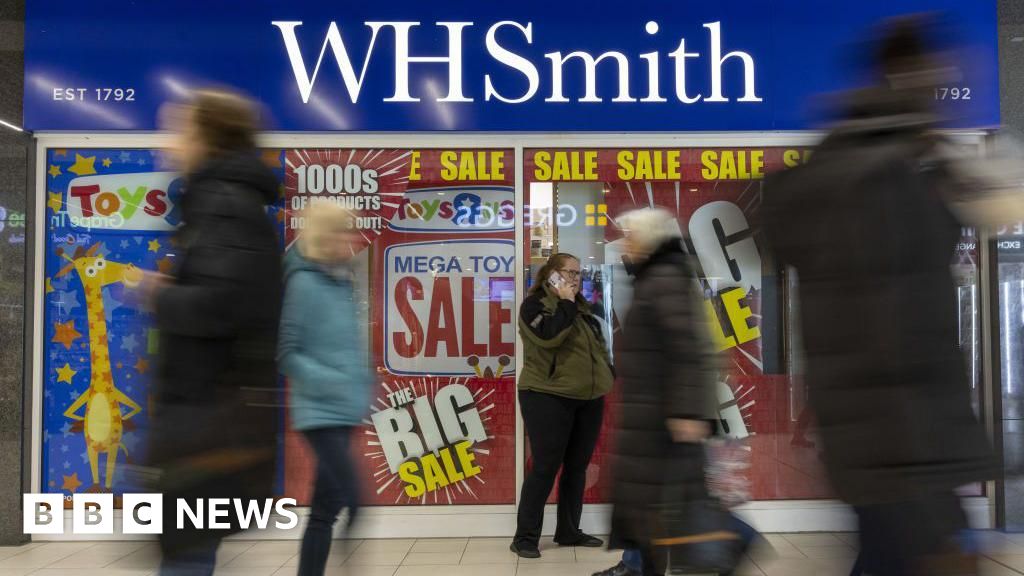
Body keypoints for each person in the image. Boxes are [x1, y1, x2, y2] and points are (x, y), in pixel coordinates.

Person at [762, 16, 995, 576]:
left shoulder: (860, 166)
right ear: (909, 75)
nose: (950, 88)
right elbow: (890, 329)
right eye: (941, 74)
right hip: (904, 447)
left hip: (879, 445)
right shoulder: (883, 179)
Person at [142, 89, 283, 576]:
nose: (170, 140)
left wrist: (157, 294)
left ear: (206, 135)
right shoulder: (220, 203)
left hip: (207, 420)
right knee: (190, 552)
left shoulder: (223, 204)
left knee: (187, 555)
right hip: (207, 417)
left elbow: (223, 306)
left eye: (179, 127)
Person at [593, 208, 718, 576]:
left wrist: (687, 413)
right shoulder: (655, 278)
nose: (623, 245)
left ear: (648, 241)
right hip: (650, 419)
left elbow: (690, 349)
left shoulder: (664, 280)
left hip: (663, 425)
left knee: (659, 515)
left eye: (629, 237)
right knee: (650, 517)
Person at [278, 202, 372, 576]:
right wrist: (333, 381)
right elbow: (287, 352)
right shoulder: (302, 282)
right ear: (321, 234)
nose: (346, 240)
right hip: (318, 411)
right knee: (354, 500)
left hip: (344, 409)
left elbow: (345, 345)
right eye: (338, 231)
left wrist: (361, 383)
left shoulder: (339, 281)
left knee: (325, 510)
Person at [512, 252, 615, 558]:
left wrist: (608, 374)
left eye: (578, 274)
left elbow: (598, 347)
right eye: (569, 273)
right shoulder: (534, 306)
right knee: (545, 467)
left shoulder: (582, 309)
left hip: (588, 397)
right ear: (551, 275)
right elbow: (549, 336)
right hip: (546, 395)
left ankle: (569, 531)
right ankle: (525, 537)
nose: (576, 278)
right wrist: (566, 302)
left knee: (576, 468)